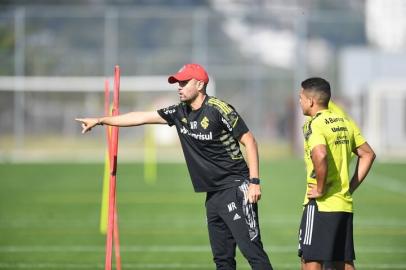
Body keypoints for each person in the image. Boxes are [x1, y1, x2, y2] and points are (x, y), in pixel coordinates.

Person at [76, 63, 273, 270]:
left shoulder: (218, 109)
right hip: (212, 195)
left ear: (199, 84)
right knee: (222, 260)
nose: (179, 87)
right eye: (177, 83)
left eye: (184, 82)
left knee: (253, 253)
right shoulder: (179, 112)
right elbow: (140, 117)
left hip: (236, 188)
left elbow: (249, 141)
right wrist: (100, 120)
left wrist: (254, 182)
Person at [297, 77, 376, 270]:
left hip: (321, 205)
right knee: (343, 263)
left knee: (310, 260)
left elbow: (320, 154)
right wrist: (350, 186)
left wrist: (321, 189)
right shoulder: (344, 122)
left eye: (300, 97)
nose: (299, 101)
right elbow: (368, 154)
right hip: (343, 205)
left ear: (311, 101)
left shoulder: (313, 125)